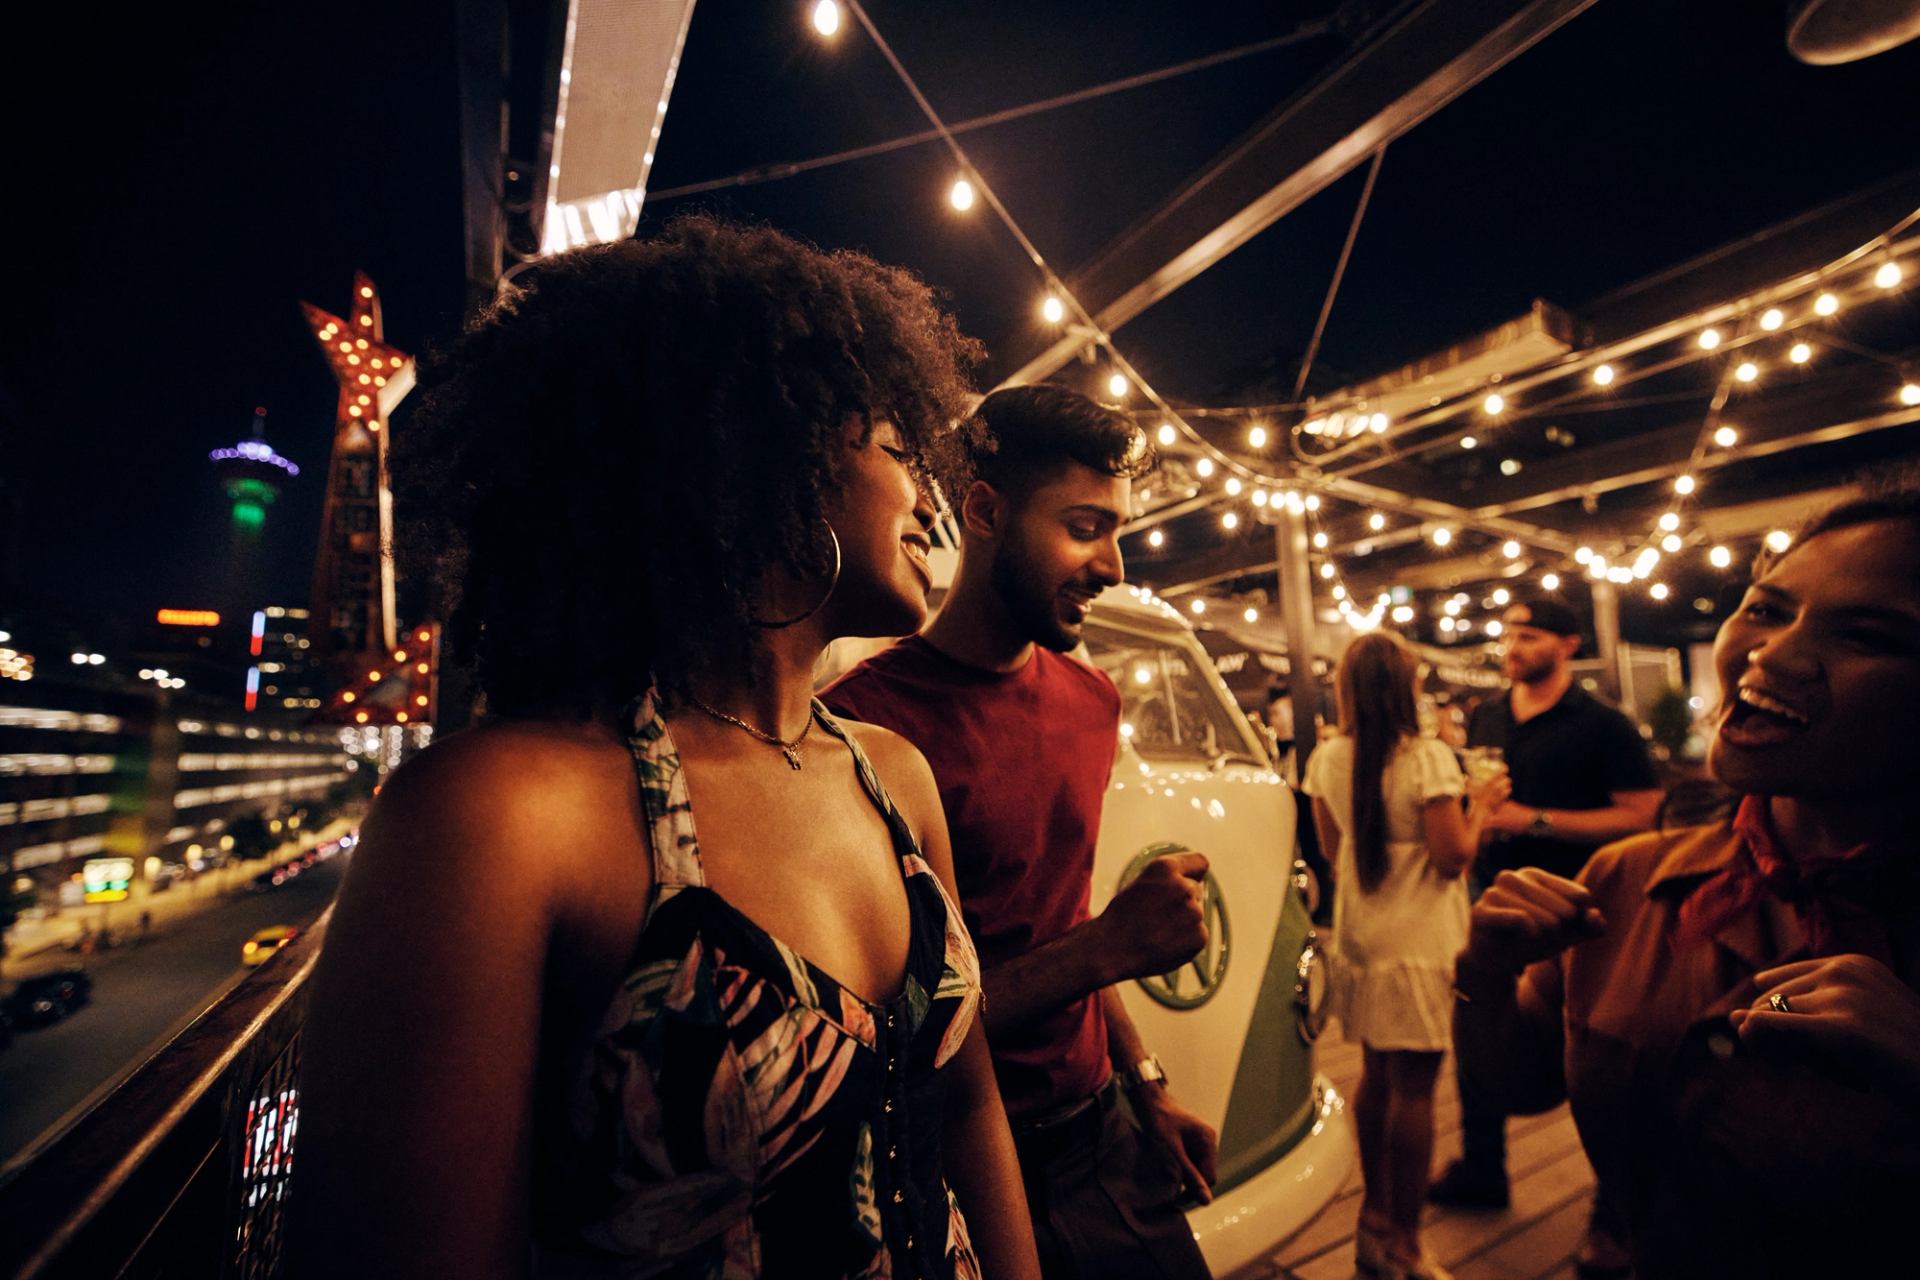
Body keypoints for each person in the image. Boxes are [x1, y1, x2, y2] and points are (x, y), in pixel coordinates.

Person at [289, 218, 1041, 1280]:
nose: (931, 500)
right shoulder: (501, 818)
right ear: (760, 458)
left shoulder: (894, 776)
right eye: (893, 447)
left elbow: (967, 1106)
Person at [1450, 478, 1920, 1279]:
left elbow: (1633, 805)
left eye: (1866, 634)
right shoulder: (1626, 884)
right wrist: (1482, 975)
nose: (1771, 653)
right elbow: (1519, 1082)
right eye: (1766, 609)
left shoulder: (1603, 730)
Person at [821, 384, 1216, 1280]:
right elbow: (888, 1024)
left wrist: (1146, 1085)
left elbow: (1062, 918)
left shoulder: (1092, 701)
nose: (1113, 566)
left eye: (1118, 531)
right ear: (985, 512)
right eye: (1084, 527)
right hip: (950, 1160)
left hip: (1103, 1133)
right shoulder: (861, 729)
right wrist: (1106, 947)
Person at [1430, 595, 1659, 1262]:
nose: (1513, 646)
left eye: (1529, 635)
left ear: (1567, 644)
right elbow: (1482, 803)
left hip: (1582, 908)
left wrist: (1531, 820)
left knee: (1603, 1052)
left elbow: (1642, 814)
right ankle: (1483, 1168)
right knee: (1479, 1019)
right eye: (1508, 634)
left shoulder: (1604, 725)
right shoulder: (1488, 714)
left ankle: (1613, 1212)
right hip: (1492, 897)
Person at [1303, 633, 1509, 1280]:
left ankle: (1373, 1220)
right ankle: (1407, 1243)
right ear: (1405, 687)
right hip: (1421, 940)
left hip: (1363, 937)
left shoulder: (1327, 757)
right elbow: (1452, 857)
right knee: (1415, 1089)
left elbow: (1331, 851)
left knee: (1376, 1075)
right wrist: (1485, 807)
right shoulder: (1427, 759)